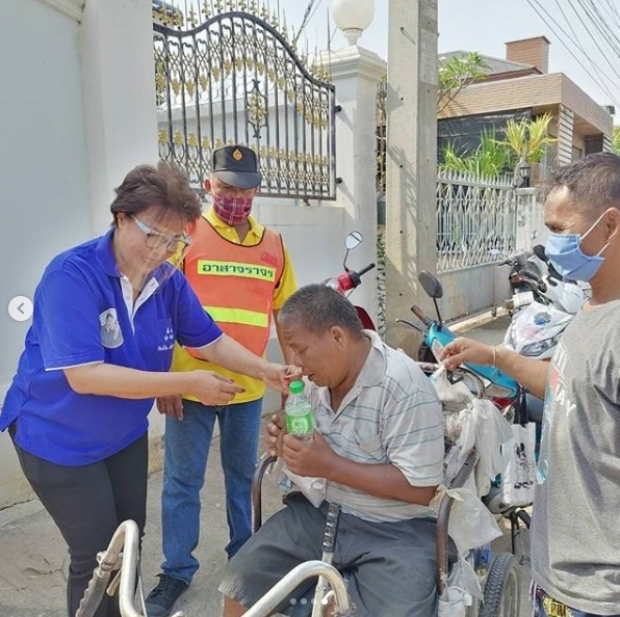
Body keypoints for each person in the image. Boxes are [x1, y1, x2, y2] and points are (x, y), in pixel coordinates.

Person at [0, 162, 294, 617]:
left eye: (176, 240)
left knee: (130, 538)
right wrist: (187, 381)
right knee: (97, 553)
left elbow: (209, 339)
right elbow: (85, 375)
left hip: (121, 436)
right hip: (57, 438)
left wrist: (266, 370)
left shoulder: (168, 281)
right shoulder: (71, 276)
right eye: (152, 233)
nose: (161, 249)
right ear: (120, 217)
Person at [441, 153, 620, 617]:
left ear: (610, 225)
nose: (551, 242)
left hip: (599, 592)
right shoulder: (592, 306)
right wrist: (494, 355)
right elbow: (568, 386)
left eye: (560, 229)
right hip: (558, 576)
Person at [219, 284, 445, 617]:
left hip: (395, 528)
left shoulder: (402, 387)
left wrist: (329, 465)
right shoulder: (314, 381)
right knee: (240, 582)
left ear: (337, 337)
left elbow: (422, 489)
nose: (294, 363)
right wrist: (286, 436)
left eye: (300, 350)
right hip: (320, 512)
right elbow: (310, 440)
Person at [145, 145, 297, 617]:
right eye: (227, 187)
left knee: (243, 480)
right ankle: (175, 571)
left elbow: (286, 316)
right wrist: (164, 382)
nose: (236, 196)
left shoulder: (272, 243)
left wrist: (290, 382)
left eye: (245, 189)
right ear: (209, 185)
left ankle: (245, 559)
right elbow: (156, 308)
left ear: (257, 191)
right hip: (189, 386)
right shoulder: (185, 235)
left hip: (248, 390)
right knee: (181, 483)